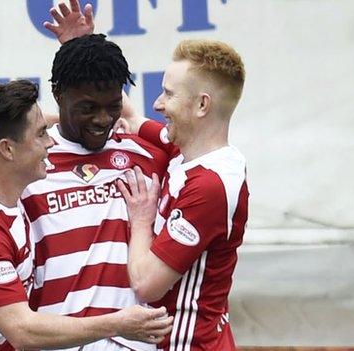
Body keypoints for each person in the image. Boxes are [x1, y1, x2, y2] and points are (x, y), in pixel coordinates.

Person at [0, 3, 172, 350]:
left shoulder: (146, 154)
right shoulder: (18, 162)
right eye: (87, 108)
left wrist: (81, 50)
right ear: (58, 96)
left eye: (112, 106)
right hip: (47, 340)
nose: (103, 120)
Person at [117, 39, 249, 350]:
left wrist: (140, 220)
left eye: (169, 94)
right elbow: (132, 118)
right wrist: (79, 43)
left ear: (202, 105)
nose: (158, 104)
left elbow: (146, 284)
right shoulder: (185, 147)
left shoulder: (209, 187)